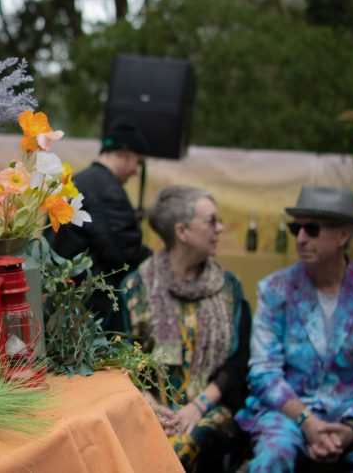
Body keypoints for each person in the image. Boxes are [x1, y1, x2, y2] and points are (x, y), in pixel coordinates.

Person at [236, 185, 353, 471]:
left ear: (343, 235)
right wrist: (306, 421)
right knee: (272, 457)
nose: (300, 239)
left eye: (311, 229)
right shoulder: (275, 290)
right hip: (289, 412)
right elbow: (264, 372)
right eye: (295, 228)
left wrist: (351, 427)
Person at [120, 185, 251, 472]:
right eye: (211, 221)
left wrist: (198, 405)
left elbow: (238, 360)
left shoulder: (229, 288)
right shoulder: (137, 287)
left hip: (213, 409)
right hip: (149, 409)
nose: (219, 228)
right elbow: (119, 358)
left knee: (177, 451)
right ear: (182, 232)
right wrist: (149, 404)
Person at [47, 115, 152, 329]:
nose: (135, 171)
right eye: (137, 162)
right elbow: (123, 253)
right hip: (93, 310)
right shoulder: (105, 189)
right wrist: (160, 262)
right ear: (124, 153)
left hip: (68, 301)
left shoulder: (81, 180)